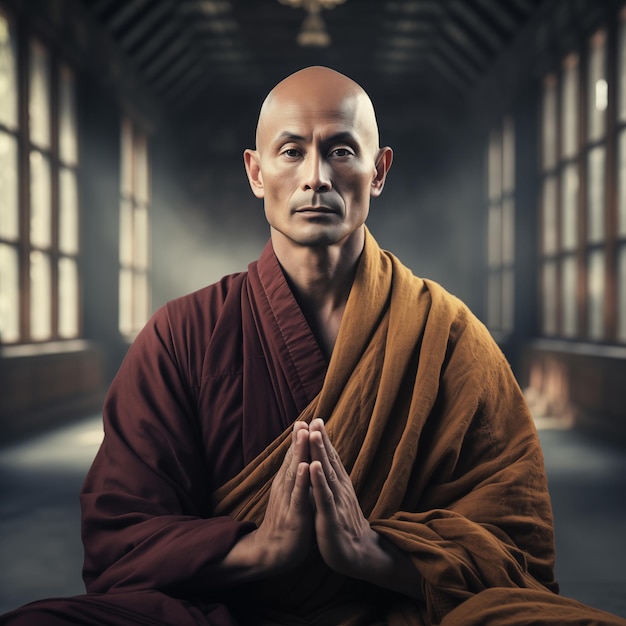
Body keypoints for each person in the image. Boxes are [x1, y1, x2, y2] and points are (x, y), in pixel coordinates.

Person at [2, 66, 625, 626]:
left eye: (341, 151)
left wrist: (371, 555)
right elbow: (120, 536)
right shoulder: (180, 335)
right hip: (222, 611)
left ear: (378, 171)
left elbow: (515, 543)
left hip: (399, 608)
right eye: (292, 152)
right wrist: (260, 548)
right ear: (256, 171)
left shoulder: (449, 334)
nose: (316, 177)